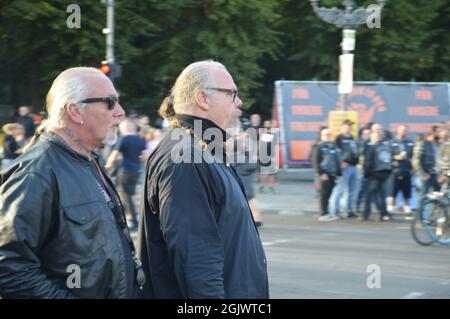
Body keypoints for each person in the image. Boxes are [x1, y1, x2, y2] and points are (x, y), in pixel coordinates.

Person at [0, 67, 145, 298]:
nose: (121, 113)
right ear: (75, 111)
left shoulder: (89, 159)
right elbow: (10, 269)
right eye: (110, 102)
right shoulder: (36, 172)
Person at [137, 60, 269, 299]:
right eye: (232, 94)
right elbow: (196, 259)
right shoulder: (185, 156)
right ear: (202, 98)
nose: (239, 102)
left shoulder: (202, 148)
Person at [106, 118, 147, 230]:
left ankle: (131, 219)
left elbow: (114, 156)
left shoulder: (123, 139)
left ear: (125, 127)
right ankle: (135, 217)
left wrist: (106, 168)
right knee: (131, 194)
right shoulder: (140, 139)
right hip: (136, 171)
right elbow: (145, 156)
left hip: (125, 171)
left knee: (124, 196)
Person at [312, 127, 341, 221]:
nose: (327, 136)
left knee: (329, 194)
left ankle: (328, 212)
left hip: (333, 173)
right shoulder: (318, 146)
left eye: (329, 134)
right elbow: (315, 161)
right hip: (325, 174)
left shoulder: (333, 146)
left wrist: (338, 173)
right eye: (325, 134)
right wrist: (321, 173)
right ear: (321, 136)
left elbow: (337, 160)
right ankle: (323, 213)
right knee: (324, 194)